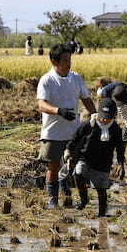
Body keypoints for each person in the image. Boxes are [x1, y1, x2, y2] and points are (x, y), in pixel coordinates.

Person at [37, 44, 96, 209]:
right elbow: (41, 104)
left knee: (75, 166)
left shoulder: (76, 78)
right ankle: (53, 200)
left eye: (69, 59)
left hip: (73, 132)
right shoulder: (47, 80)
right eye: (65, 60)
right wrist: (59, 111)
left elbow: (85, 98)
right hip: (53, 133)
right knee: (54, 166)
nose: (69, 63)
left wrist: (95, 114)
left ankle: (76, 196)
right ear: (54, 61)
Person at [62, 98, 125, 217]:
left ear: (114, 116)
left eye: (108, 118)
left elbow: (120, 148)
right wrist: (68, 150)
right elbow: (75, 138)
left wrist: (121, 163)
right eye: (103, 117)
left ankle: (102, 213)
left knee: (101, 190)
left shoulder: (116, 129)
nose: (105, 120)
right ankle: (84, 199)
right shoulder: (88, 125)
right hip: (85, 158)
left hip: (103, 163)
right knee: (78, 174)